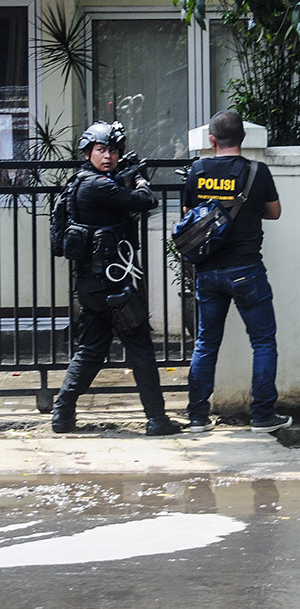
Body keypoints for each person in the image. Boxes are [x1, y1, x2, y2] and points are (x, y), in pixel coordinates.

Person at [51, 121, 182, 436]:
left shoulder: (81, 182)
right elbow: (145, 201)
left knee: (91, 350)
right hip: (113, 286)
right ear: (88, 153)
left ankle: (62, 414)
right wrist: (139, 179)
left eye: (112, 150)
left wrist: (126, 177)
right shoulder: (98, 185)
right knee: (140, 349)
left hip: (93, 285)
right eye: (101, 150)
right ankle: (157, 419)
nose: (108, 156)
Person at [183, 110, 291, 434]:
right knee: (263, 342)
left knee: (205, 342)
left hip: (208, 270)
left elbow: (189, 214)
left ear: (211, 140)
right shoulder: (257, 171)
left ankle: (198, 417)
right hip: (246, 270)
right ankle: (263, 415)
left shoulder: (197, 170)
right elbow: (275, 212)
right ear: (243, 138)